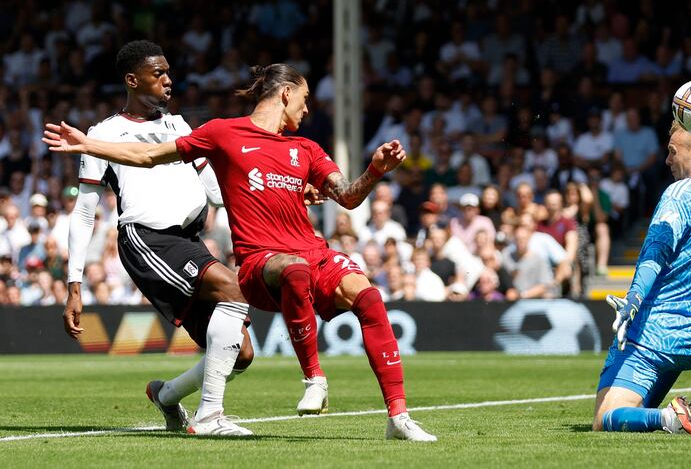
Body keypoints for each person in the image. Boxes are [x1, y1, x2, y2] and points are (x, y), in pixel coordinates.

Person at [44, 63, 437, 442]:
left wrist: (374, 171)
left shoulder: (303, 147)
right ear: (286, 93)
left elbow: (345, 196)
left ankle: (398, 417)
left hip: (260, 244)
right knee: (267, 279)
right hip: (203, 248)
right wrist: (87, 143)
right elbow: (146, 158)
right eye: (304, 98)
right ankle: (276, 392)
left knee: (332, 313)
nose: (307, 107)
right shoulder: (218, 132)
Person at [59, 41, 257, 436]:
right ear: (133, 80)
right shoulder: (103, 134)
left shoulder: (178, 125)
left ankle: (166, 395)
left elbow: (217, 191)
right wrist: (74, 285)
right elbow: (84, 211)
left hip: (186, 241)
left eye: (168, 72)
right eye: (158, 74)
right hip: (146, 239)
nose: (169, 80)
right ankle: (210, 417)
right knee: (234, 288)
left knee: (241, 353)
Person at [593, 121, 691, 435]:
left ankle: (669, 419)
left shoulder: (681, 192)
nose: (666, 160)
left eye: (671, 152)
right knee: (631, 412)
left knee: (605, 419)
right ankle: (658, 414)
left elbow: (655, 252)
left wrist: (633, 300)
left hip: (657, 335)